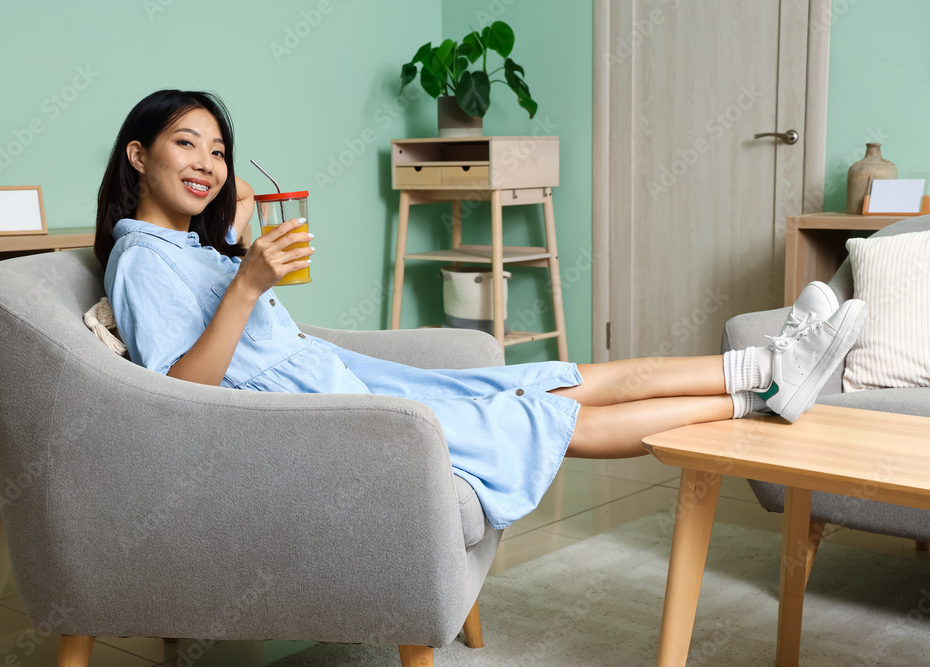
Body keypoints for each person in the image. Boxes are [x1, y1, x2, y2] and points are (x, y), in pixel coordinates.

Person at [94, 89, 867, 530]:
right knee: (560, 411)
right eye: (187, 144)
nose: (207, 164)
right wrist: (248, 283)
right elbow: (182, 392)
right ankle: (765, 386)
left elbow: (217, 276)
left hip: (343, 385)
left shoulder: (191, 248)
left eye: (219, 150)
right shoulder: (138, 259)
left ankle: (768, 365)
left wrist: (229, 236)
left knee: (565, 375)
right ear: (138, 153)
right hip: (314, 418)